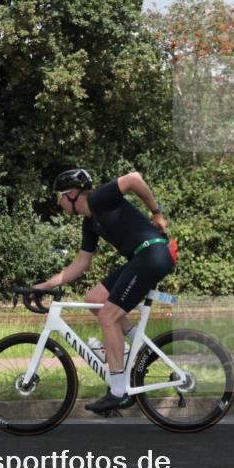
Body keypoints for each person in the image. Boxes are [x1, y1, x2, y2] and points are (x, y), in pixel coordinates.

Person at [34, 168, 176, 413]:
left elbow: (134, 178)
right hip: (141, 258)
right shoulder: (89, 224)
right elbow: (81, 263)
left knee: (109, 316)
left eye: (59, 197)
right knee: (95, 298)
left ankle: (118, 392)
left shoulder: (99, 198)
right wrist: (43, 286)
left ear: (72, 194)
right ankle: (137, 348)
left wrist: (157, 213)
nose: (58, 203)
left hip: (152, 253)